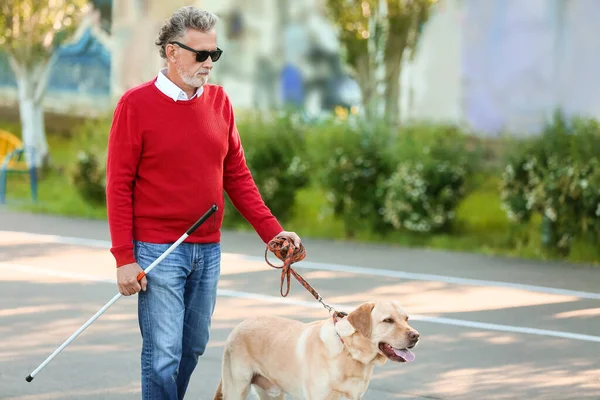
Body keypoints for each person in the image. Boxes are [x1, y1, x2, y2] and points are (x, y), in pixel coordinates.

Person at [105, 6, 302, 400]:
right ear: (171, 52)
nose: (209, 63)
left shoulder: (220, 102)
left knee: (192, 347)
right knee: (163, 354)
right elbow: (118, 184)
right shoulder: (135, 105)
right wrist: (124, 257)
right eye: (200, 54)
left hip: (207, 251)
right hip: (158, 250)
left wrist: (273, 232)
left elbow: (237, 175)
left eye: (215, 53)